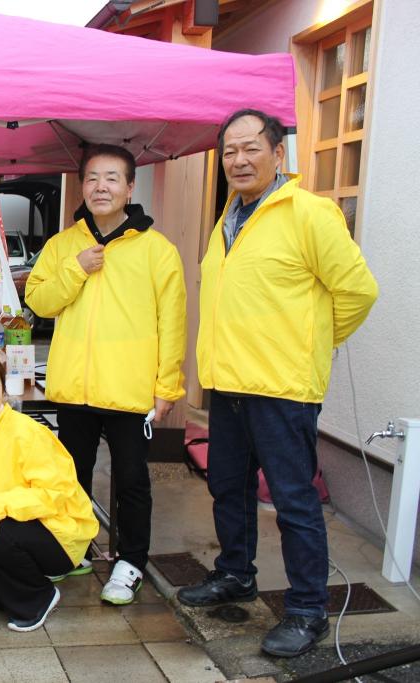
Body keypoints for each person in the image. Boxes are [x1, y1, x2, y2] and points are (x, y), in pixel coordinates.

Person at [177, 109, 378, 658]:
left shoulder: (310, 213)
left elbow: (357, 292)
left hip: (283, 388)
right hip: (228, 383)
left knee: (293, 501)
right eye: (230, 152)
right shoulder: (230, 217)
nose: (239, 160)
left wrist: (308, 345)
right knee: (228, 488)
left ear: (278, 154)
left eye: (251, 148)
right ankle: (235, 574)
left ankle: (308, 609)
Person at [25, 144, 186, 606]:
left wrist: (167, 388)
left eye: (112, 178)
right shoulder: (63, 245)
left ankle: (131, 562)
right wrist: (76, 270)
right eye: (93, 178)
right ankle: (73, 549)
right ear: (82, 185)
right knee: (71, 473)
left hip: (130, 390)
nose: (101, 187)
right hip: (73, 385)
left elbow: (172, 324)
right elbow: (39, 302)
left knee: (132, 479)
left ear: (130, 187)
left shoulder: (157, 251)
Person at [0, 353, 98, 632]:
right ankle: (20, 589)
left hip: (59, 534)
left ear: (3, 391)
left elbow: (56, 492)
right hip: (7, 531)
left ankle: (38, 598)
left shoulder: (27, 433)